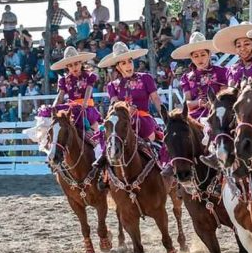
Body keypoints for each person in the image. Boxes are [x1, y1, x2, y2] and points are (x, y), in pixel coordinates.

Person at [97, 42, 172, 174]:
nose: (128, 65)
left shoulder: (146, 78)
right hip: (122, 121)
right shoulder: (112, 85)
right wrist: (125, 110)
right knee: (107, 135)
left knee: (153, 139)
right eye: (123, 63)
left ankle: (161, 165)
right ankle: (105, 170)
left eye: (129, 61)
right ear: (118, 67)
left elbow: (155, 99)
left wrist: (166, 118)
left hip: (143, 118)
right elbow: (114, 104)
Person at [172, 32, 228, 120]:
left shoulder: (221, 72)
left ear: (209, 54)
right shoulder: (186, 78)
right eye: (196, 56)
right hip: (195, 118)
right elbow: (187, 102)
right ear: (191, 57)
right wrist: (198, 103)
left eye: (203, 54)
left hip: (218, 115)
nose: (200, 59)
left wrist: (213, 103)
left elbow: (225, 96)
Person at [48, 47, 101, 133]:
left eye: (76, 64)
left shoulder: (89, 76)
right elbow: (60, 95)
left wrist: (85, 102)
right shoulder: (64, 80)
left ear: (81, 63)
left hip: (86, 108)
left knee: (95, 133)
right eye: (70, 65)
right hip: (72, 109)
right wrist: (53, 107)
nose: (74, 67)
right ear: (67, 67)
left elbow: (89, 89)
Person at [213, 23, 252, 88]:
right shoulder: (232, 69)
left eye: (247, 44)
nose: (242, 48)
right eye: (238, 46)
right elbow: (231, 91)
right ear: (235, 49)